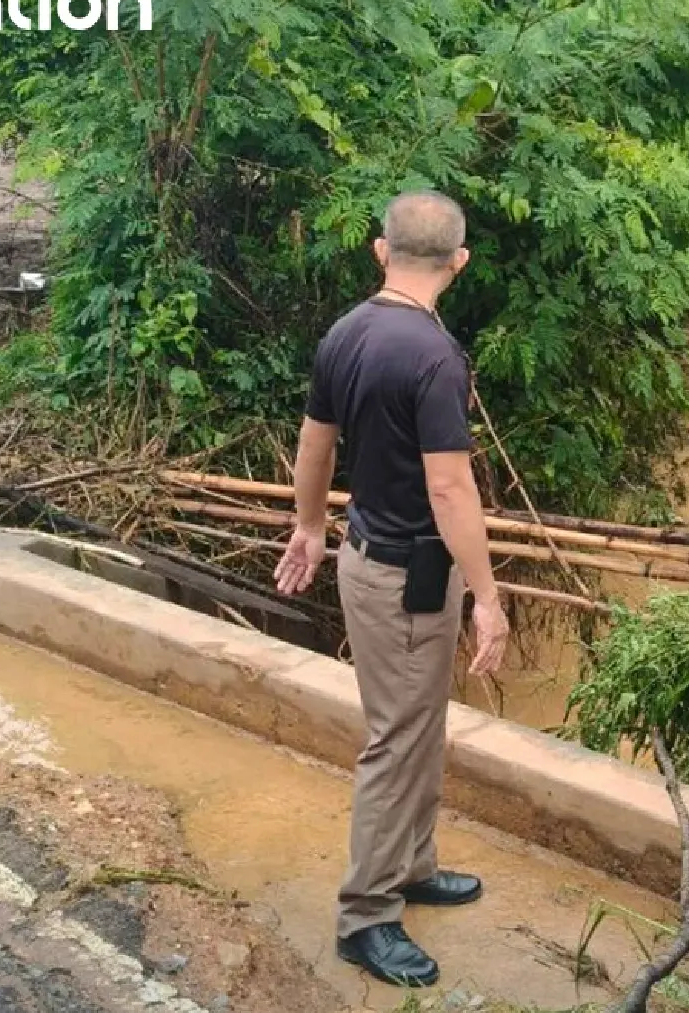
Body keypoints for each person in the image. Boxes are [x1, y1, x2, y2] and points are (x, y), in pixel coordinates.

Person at [273, 189, 510, 988]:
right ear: (459, 263)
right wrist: (488, 595)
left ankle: (412, 865)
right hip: (409, 578)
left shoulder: (347, 332)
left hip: (366, 559)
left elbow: (313, 445)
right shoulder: (436, 357)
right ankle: (366, 914)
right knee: (396, 740)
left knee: (414, 726)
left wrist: (310, 524)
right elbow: (451, 490)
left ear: (381, 251)